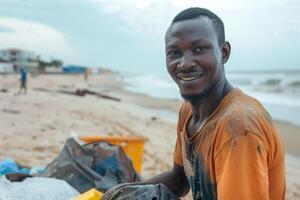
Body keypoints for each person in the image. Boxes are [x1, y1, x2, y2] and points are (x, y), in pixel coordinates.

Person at [104, 7, 285, 200]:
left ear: (224, 53)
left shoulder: (239, 128)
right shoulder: (189, 110)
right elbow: (179, 180)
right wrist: (122, 192)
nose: (185, 63)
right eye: (174, 53)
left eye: (199, 49)